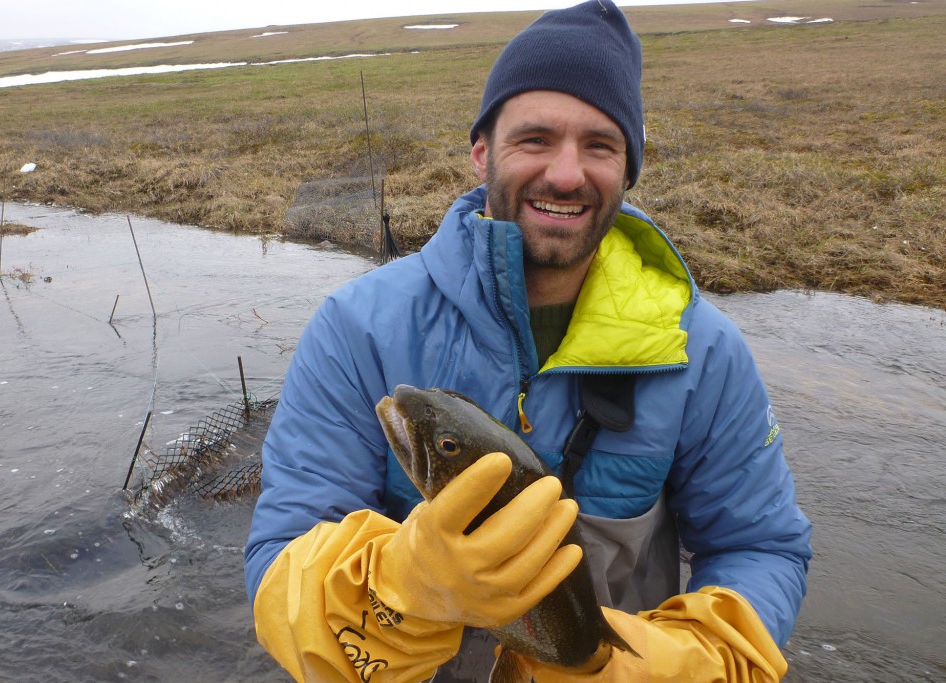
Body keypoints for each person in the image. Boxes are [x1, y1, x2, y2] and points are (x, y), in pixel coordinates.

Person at [244, 1, 812, 680]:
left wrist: (673, 663)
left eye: (599, 145)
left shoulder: (703, 352)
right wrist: (405, 585)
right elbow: (281, 563)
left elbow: (762, 546)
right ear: (482, 151)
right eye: (535, 138)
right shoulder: (357, 328)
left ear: (627, 168)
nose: (567, 174)